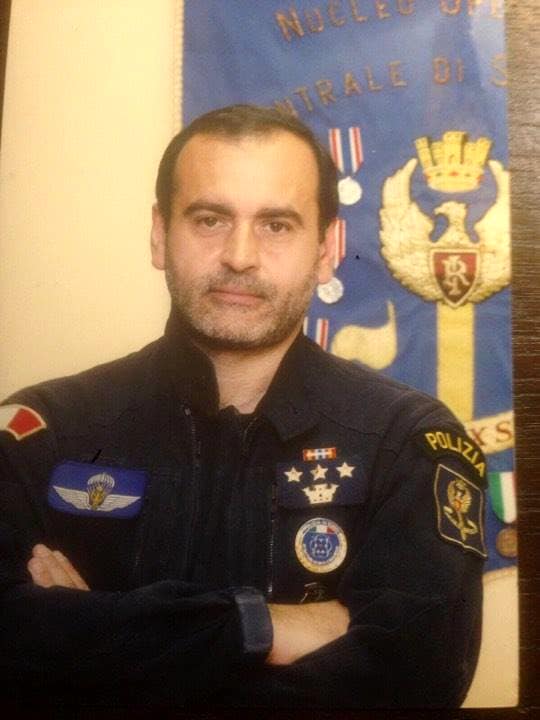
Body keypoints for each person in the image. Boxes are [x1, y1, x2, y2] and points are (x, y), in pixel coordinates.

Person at [0, 104, 487, 709]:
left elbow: (418, 675)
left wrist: (92, 637)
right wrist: (262, 628)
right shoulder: (46, 432)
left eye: (276, 225)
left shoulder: (406, 442)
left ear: (326, 248)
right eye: (210, 219)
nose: (239, 255)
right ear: (159, 234)